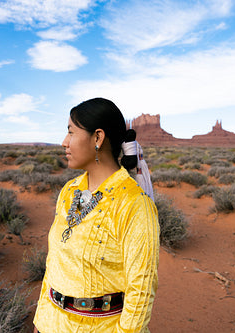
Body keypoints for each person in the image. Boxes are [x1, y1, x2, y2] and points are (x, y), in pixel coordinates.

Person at [33, 97, 159, 332]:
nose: (64, 142)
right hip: (52, 323)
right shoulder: (69, 191)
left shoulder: (133, 204)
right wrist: (41, 319)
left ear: (98, 138)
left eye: (71, 133)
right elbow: (54, 264)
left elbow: (141, 290)